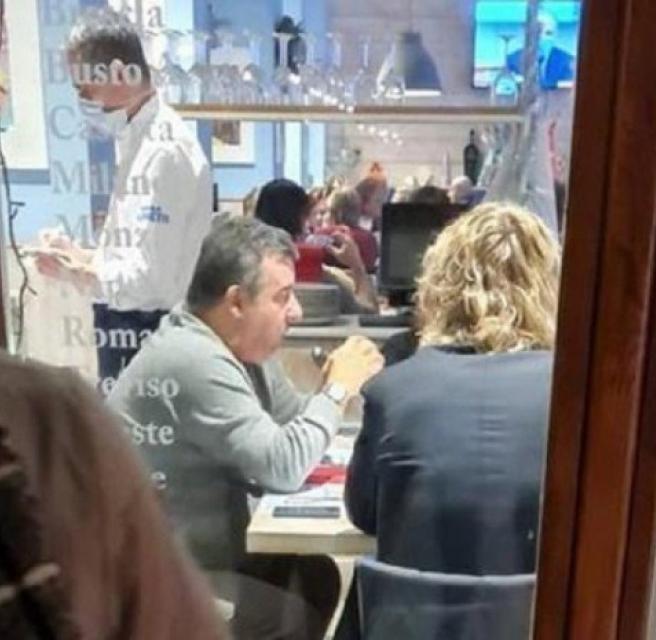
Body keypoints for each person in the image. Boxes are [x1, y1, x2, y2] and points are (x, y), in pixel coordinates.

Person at [107, 217, 384, 638]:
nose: (296, 312)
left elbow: (294, 420)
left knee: (314, 575)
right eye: (283, 297)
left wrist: (342, 394)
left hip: (206, 558)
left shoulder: (238, 347)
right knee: (286, 612)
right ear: (236, 302)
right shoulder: (192, 357)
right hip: (158, 581)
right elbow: (282, 465)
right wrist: (336, 390)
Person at [335, 202, 560, 638]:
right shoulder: (575, 395)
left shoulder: (392, 390)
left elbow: (364, 514)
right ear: (549, 288)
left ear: (439, 285)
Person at [36, 8, 213, 385]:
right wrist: (79, 255)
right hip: (129, 331)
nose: (84, 99)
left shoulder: (165, 152)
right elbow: (133, 256)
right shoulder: (136, 140)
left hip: (150, 337)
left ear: (118, 73)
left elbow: (151, 283)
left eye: (85, 88)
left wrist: (75, 272)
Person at [0, 353, 227, 639]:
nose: (289, 317)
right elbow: (274, 461)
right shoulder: (50, 412)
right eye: (278, 306)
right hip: (215, 557)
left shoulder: (51, 412)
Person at [255, 179, 379, 314]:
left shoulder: (247, 273)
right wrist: (357, 266)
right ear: (301, 218)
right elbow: (368, 313)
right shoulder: (325, 280)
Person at [506, 10, 575, 90]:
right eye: (537, 33)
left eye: (548, 33)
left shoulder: (567, 62)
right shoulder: (512, 60)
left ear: (555, 36)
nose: (542, 38)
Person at [325, 187, 379, 272]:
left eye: (327, 211)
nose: (325, 216)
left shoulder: (327, 236)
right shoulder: (370, 238)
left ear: (338, 213)